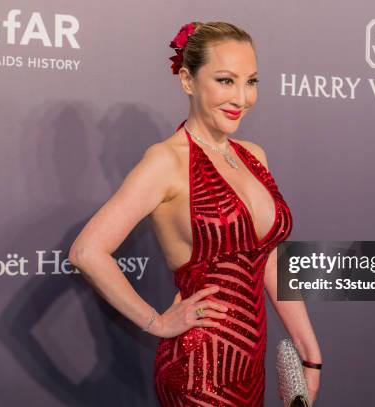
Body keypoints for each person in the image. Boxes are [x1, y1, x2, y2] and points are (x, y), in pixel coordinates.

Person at [69, 21, 321, 406]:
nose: (242, 97)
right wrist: (156, 321)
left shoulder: (253, 156)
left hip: (250, 365)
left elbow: (270, 258)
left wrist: (310, 354)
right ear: (188, 80)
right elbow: (87, 252)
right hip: (199, 370)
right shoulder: (165, 161)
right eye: (225, 80)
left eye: (251, 81)